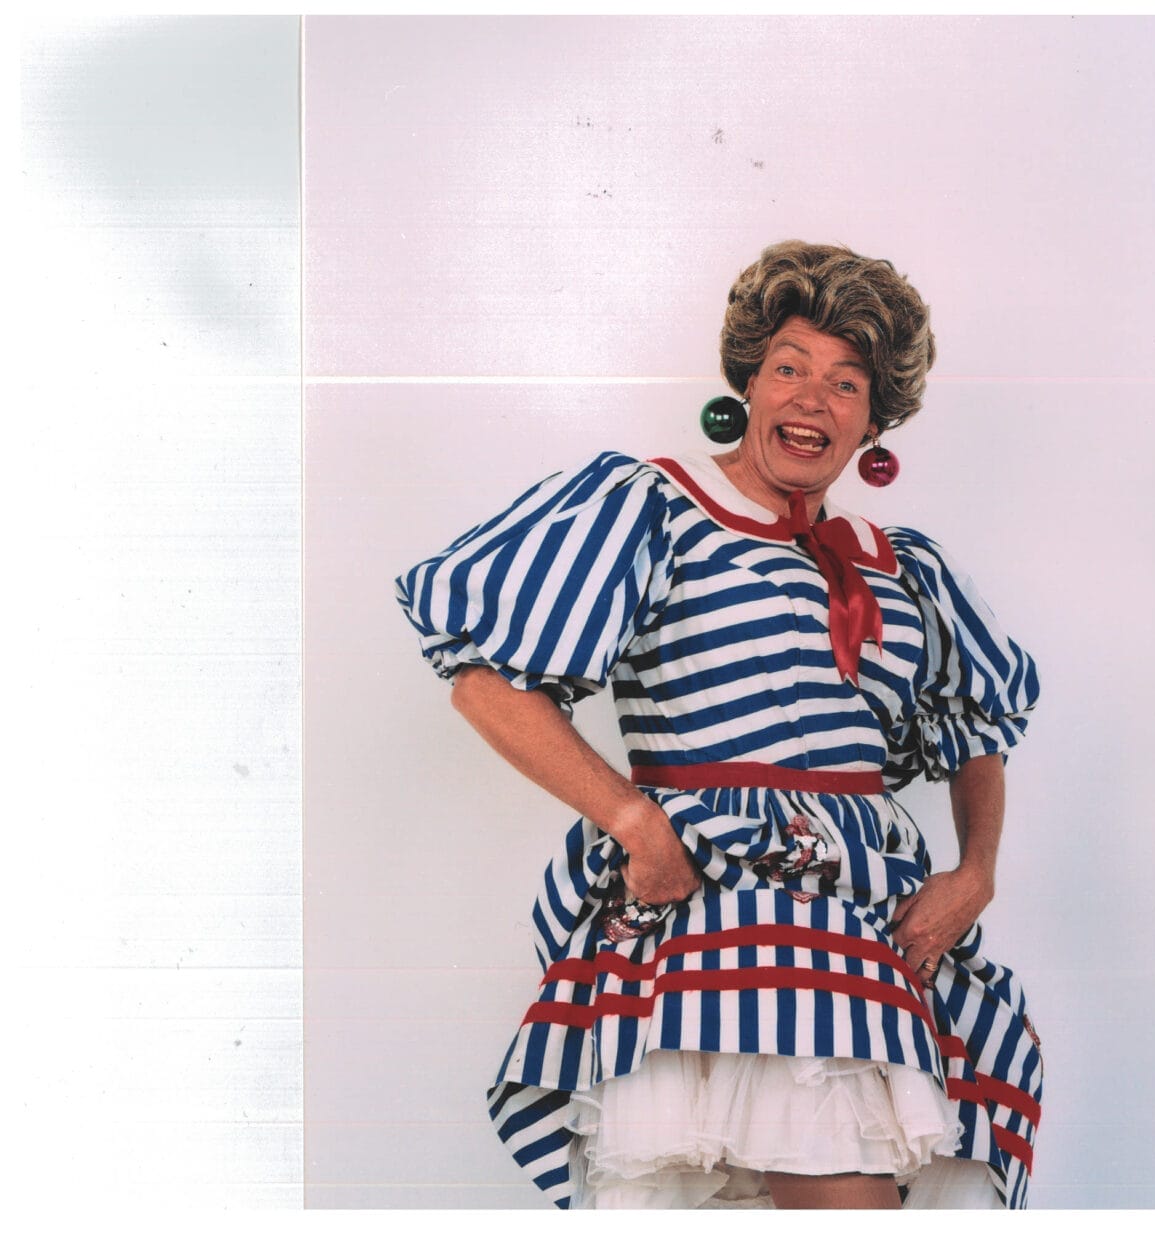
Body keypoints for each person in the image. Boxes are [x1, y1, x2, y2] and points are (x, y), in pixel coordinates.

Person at [395, 241, 1042, 1210]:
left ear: (875, 418)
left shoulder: (902, 564)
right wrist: (633, 819)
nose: (811, 398)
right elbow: (484, 678)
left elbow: (971, 726)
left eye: (844, 381)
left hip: (862, 905)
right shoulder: (655, 505)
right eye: (789, 367)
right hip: (707, 889)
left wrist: (975, 869)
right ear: (748, 381)